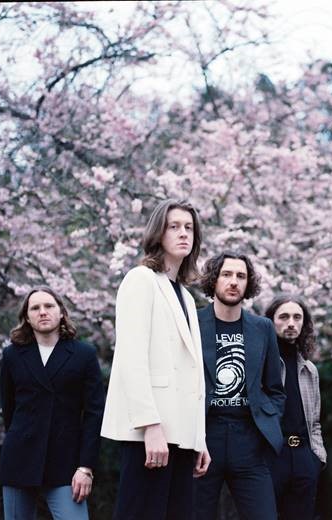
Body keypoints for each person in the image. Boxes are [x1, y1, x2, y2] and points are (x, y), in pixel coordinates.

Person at [101, 199, 210, 520]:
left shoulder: (187, 297)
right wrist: (151, 427)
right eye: (174, 226)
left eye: (189, 228)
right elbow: (131, 358)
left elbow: (192, 375)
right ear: (157, 233)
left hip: (182, 435)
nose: (183, 234)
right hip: (151, 431)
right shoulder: (140, 279)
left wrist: (198, 439)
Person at [0, 286, 105, 520]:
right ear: (27, 317)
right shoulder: (12, 355)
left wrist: (85, 467)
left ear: (61, 312)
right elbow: (9, 410)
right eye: (35, 308)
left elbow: (94, 414)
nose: (42, 312)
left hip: (67, 463)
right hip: (20, 458)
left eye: (49, 306)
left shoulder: (84, 354)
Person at [195, 251, 285, 520]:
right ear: (214, 280)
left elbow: (275, 389)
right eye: (227, 274)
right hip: (202, 438)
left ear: (248, 284)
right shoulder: (191, 323)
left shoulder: (263, 328)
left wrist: (267, 425)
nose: (234, 282)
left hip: (249, 439)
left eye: (241, 276)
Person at [264, 294, 327, 519]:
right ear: (270, 322)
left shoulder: (310, 370)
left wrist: (317, 457)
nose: (291, 323)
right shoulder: (261, 363)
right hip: (271, 456)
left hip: (304, 457)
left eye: (297, 317)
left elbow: (315, 420)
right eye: (284, 317)